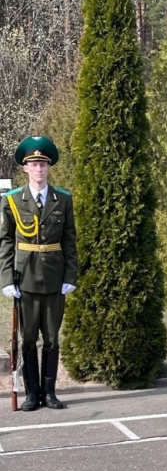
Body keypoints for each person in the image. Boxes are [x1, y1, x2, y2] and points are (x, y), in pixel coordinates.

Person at [0, 136, 77, 411]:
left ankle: (50, 392)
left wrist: (71, 276)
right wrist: (7, 279)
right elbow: (6, 241)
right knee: (29, 337)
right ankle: (33, 393)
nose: (39, 169)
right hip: (26, 277)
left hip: (56, 277)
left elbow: (69, 240)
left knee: (53, 337)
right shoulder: (12, 200)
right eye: (34, 164)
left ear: (49, 167)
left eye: (43, 164)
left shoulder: (63, 199)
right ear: (25, 168)